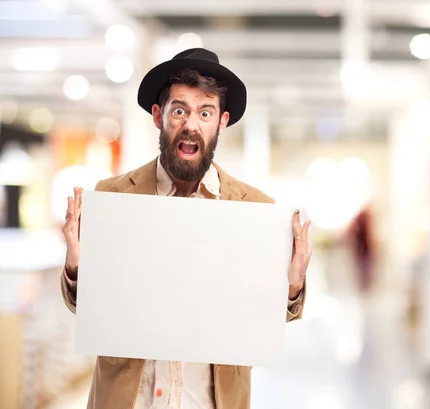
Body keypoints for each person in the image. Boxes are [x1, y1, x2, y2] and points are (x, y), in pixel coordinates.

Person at [60, 48, 311, 409]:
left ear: (222, 122)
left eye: (205, 112)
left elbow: (263, 323)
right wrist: (75, 269)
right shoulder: (112, 196)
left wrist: (292, 285)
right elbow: (85, 308)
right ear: (159, 115)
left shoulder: (255, 209)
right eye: (180, 110)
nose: (191, 124)